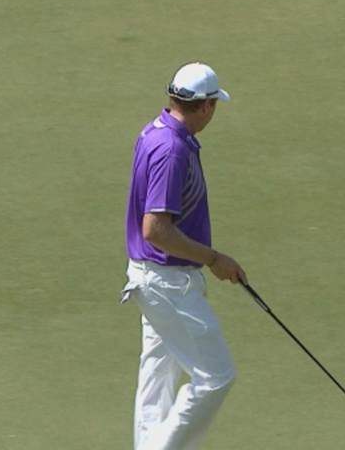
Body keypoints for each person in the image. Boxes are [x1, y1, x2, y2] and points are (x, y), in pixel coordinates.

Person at [120, 62, 247, 450]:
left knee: (157, 376)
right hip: (167, 283)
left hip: (155, 278)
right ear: (206, 107)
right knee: (216, 375)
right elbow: (156, 229)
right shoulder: (172, 150)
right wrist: (213, 258)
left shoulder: (157, 131)